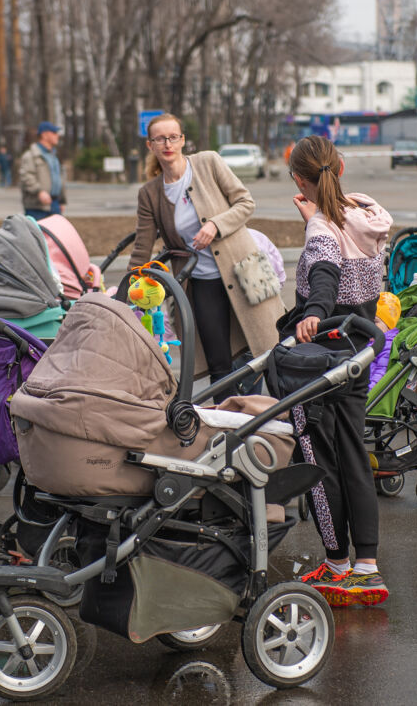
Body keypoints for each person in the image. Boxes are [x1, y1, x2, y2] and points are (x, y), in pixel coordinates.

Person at [286, 135, 392, 606]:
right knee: (353, 451)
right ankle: (366, 565)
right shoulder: (366, 213)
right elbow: (344, 249)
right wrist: (316, 217)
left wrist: (313, 311)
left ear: (298, 181)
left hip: (323, 352)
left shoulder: (323, 230)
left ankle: (335, 562)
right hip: (359, 349)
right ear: (341, 169)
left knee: (317, 455)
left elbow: (326, 273)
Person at [129, 113, 282, 392]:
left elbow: (245, 203)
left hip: (247, 266)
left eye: (173, 137)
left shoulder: (208, 162)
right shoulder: (150, 193)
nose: (167, 143)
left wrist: (215, 224)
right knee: (218, 361)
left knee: (270, 348)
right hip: (200, 281)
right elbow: (143, 245)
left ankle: (287, 418)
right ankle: (227, 425)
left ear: (183, 140)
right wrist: (129, 289)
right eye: (160, 139)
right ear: (150, 145)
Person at [19, 121, 66, 219]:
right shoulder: (31, 156)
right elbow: (26, 176)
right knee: (38, 234)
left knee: (54, 234)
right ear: (44, 135)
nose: (57, 136)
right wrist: (39, 191)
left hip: (54, 204)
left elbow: (57, 178)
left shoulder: (53, 156)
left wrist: (61, 201)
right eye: (54, 133)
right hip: (37, 207)